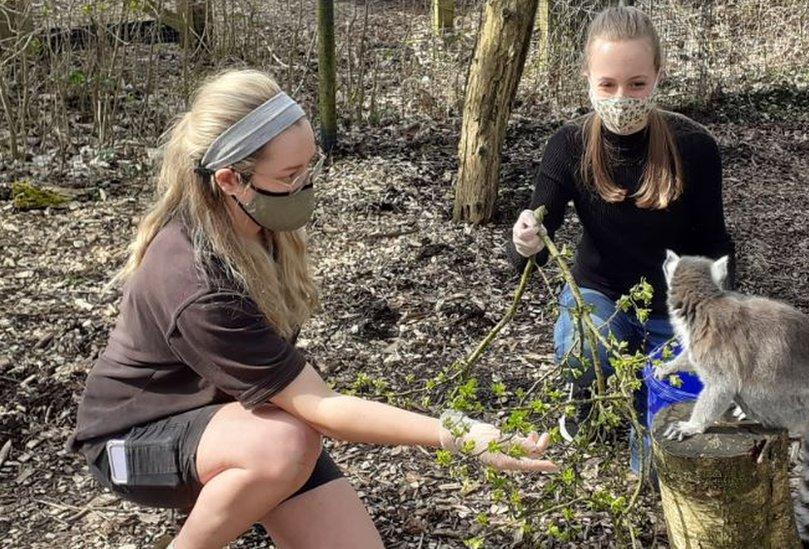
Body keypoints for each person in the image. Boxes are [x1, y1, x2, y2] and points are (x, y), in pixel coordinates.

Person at [69, 69, 555, 549]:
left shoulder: (252, 219)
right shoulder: (198, 283)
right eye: (289, 175)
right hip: (131, 445)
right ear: (230, 179)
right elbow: (320, 409)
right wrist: (457, 434)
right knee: (289, 443)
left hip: (237, 420)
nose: (304, 185)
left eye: (309, 167)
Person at [507, 6, 736, 462]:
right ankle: (586, 403)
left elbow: (715, 242)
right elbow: (535, 243)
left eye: (637, 84)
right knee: (584, 349)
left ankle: (640, 414)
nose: (622, 97)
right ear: (587, 79)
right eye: (607, 84)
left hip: (673, 307)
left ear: (658, 76)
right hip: (600, 293)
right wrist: (525, 240)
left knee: (659, 455)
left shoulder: (694, 146)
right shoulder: (568, 145)